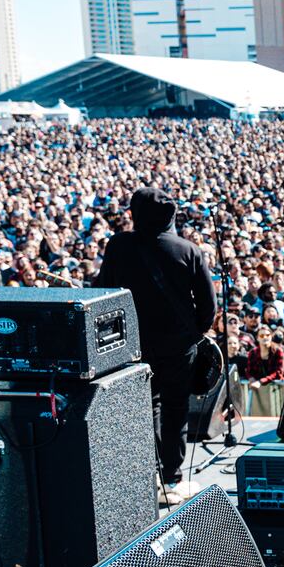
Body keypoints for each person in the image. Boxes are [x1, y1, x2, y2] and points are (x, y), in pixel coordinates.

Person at [93, 187, 217, 503]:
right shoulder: (187, 250)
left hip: (134, 344)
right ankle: (172, 477)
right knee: (176, 407)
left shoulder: (118, 246)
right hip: (178, 345)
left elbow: (103, 291)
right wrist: (192, 333)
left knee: (146, 406)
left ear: (135, 214)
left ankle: (147, 471)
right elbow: (208, 305)